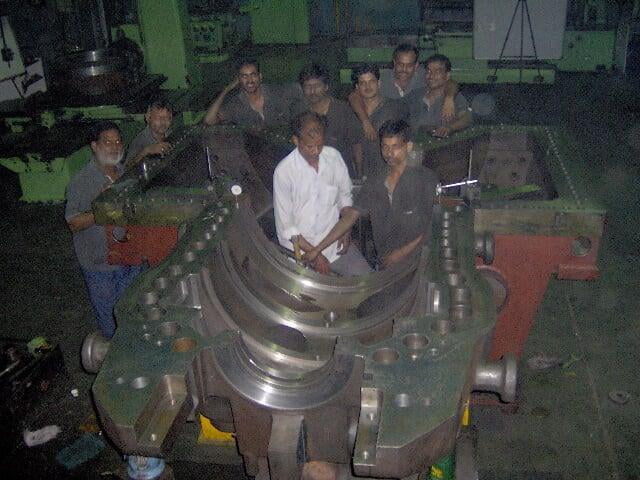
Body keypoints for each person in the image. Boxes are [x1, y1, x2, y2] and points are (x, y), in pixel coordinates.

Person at [304, 120, 438, 269]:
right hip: (387, 263)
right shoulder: (376, 180)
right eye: (385, 147)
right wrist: (317, 250)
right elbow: (351, 216)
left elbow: (432, 226)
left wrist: (400, 254)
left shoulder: (425, 179)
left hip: (420, 262)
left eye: (395, 147)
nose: (389, 153)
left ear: (409, 146)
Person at [65, 122, 142, 339]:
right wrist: (102, 207)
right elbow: (73, 223)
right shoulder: (82, 181)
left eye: (118, 141)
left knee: (131, 311)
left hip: (129, 259)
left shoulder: (123, 173)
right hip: (101, 267)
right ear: (94, 146)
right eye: (107, 142)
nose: (114, 147)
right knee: (111, 322)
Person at [273, 112, 372, 276]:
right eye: (309, 147)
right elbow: (287, 227)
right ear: (296, 141)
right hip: (300, 251)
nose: (316, 151)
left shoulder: (333, 157)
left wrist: (345, 229)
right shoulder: (284, 172)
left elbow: (344, 196)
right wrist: (316, 255)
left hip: (333, 244)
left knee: (366, 279)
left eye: (320, 145)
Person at [349, 44, 459, 141]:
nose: (404, 69)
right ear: (394, 63)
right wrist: (365, 121)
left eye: (409, 65)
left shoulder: (426, 76)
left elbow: (450, 82)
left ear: (416, 65)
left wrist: (449, 98)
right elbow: (354, 95)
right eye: (400, 64)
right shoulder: (380, 79)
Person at [292, 63, 364, 178]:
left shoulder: (342, 110)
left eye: (317, 86)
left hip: (340, 175)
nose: (312, 91)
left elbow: (357, 144)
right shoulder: (299, 110)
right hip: (309, 176)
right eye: (308, 87)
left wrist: (359, 175)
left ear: (326, 87)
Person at [203, 58, 299, 130]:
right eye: (244, 76)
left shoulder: (276, 92)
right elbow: (209, 120)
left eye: (253, 75)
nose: (249, 80)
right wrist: (226, 89)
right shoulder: (236, 104)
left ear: (260, 77)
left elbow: (301, 91)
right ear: (238, 80)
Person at [351, 63, 407, 177]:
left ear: (379, 83)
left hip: (389, 174)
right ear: (357, 87)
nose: (367, 86)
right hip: (361, 175)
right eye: (363, 83)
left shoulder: (395, 108)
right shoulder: (351, 111)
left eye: (371, 81)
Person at [405, 54, 472, 138]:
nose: (431, 76)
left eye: (437, 72)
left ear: (447, 75)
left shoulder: (454, 98)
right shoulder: (415, 95)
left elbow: (467, 118)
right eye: (428, 71)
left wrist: (449, 128)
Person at [124, 99, 173, 169]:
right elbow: (127, 168)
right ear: (148, 118)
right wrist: (146, 151)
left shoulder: (171, 133)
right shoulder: (140, 141)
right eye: (159, 118)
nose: (163, 122)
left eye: (166, 118)